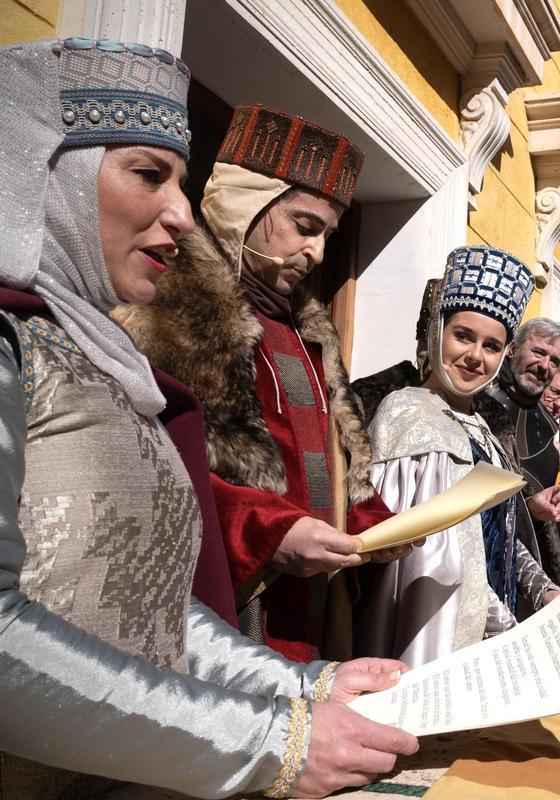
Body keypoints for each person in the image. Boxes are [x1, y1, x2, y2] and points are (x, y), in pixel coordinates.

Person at [0, 38, 415, 798]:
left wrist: (304, 687)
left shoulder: (102, 357)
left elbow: (149, 600)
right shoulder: (33, 340)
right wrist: (270, 739)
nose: (181, 216)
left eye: (182, 183)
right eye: (149, 175)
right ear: (45, 171)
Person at [117, 103, 407, 662]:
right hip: (229, 593)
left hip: (314, 595)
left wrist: (375, 523)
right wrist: (268, 532)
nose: (317, 252)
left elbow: (327, 458)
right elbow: (155, 469)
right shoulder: (165, 308)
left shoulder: (308, 331)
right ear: (245, 205)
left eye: (327, 235)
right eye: (304, 227)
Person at [357, 247, 560, 666]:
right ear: (437, 331)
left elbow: (500, 533)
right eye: (463, 336)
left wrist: (542, 588)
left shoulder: (483, 429)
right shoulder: (408, 413)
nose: (475, 357)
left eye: (492, 346)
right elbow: (428, 554)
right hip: (436, 628)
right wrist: (505, 625)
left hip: (492, 630)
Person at [475, 317, 560, 590]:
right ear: (512, 349)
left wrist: (543, 507)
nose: (544, 365)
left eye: (554, 360)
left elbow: (528, 528)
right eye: (539, 352)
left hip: (515, 580)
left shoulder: (547, 437)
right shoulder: (473, 400)